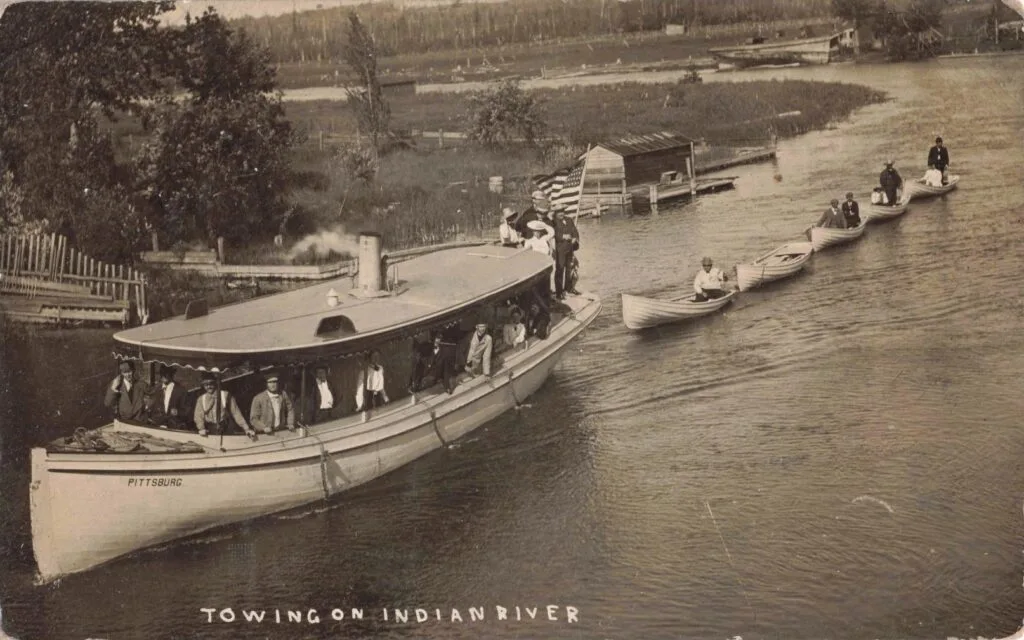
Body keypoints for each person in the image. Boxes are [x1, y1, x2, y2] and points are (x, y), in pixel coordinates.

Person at [194, 373, 255, 438]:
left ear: (215, 383)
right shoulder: (201, 399)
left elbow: (236, 413)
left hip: (226, 427)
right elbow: (198, 416)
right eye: (206, 385)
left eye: (211, 384)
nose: (209, 387)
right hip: (210, 429)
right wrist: (201, 428)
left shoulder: (225, 395)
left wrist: (246, 428)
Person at [551, 207, 581, 299]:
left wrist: (575, 238)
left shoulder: (569, 220)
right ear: (555, 213)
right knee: (560, 270)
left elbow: (575, 231)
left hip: (570, 249)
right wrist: (563, 236)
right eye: (559, 212)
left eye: (562, 211)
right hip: (560, 250)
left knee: (570, 269)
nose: (561, 214)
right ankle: (559, 293)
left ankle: (569, 288)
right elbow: (553, 234)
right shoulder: (553, 222)